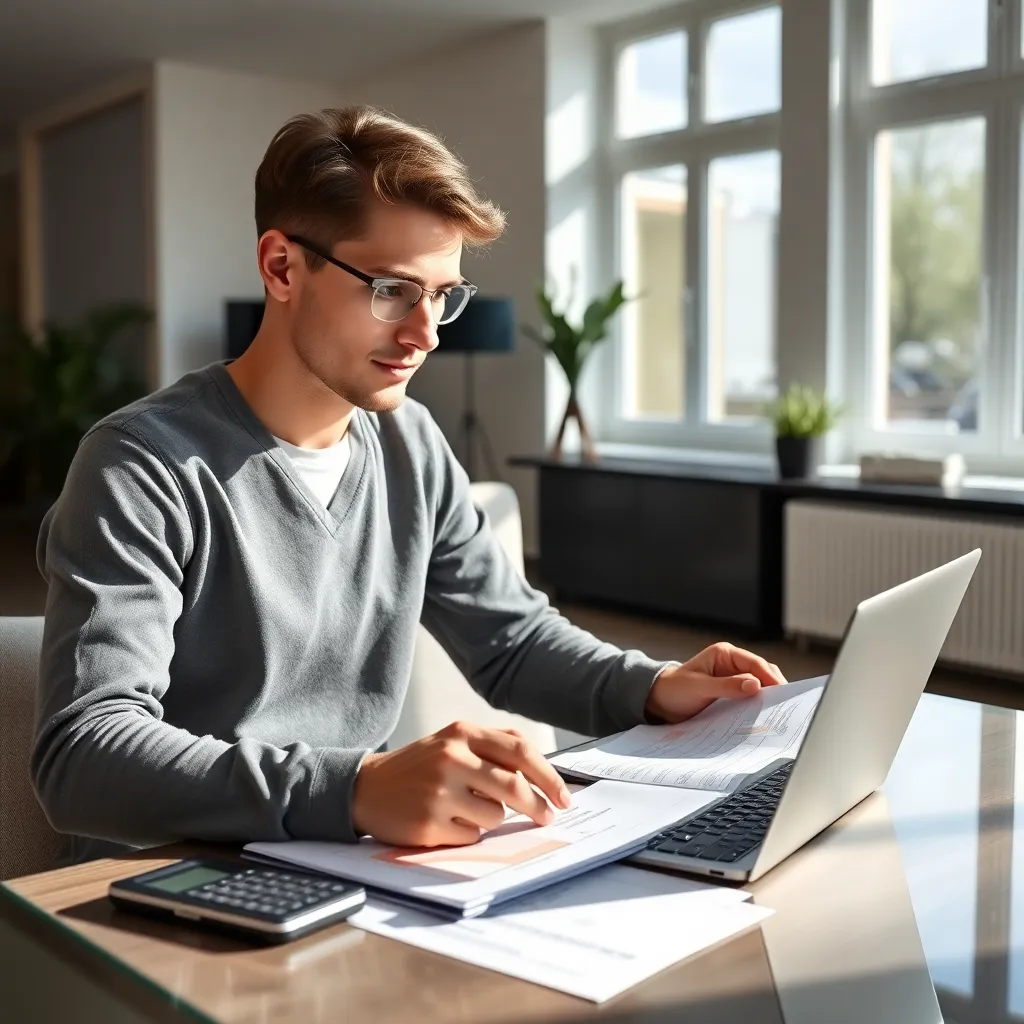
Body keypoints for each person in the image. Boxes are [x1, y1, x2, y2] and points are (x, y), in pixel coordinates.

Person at [32, 106, 786, 865]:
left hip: (349, 861)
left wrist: (654, 686)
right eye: (392, 289)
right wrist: (357, 789)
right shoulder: (140, 464)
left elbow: (513, 642)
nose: (425, 333)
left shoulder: (411, 443)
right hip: (167, 880)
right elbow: (83, 753)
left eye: (442, 295)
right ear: (282, 266)